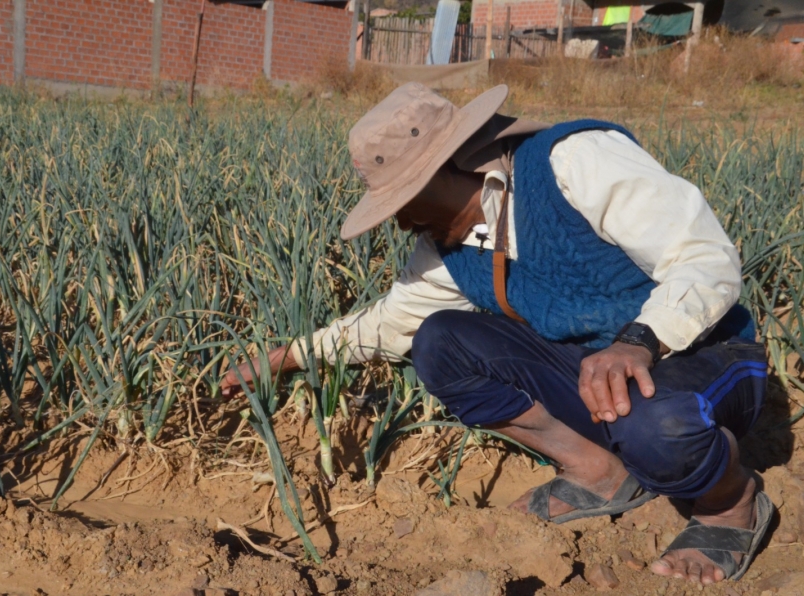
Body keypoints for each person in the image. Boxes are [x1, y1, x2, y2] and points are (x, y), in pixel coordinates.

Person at [220, 83, 773, 585]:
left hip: (710, 357)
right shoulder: (447, 245)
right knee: (439, 341)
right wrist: (291, 356)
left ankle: (728, 505)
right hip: (595, 378)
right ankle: (596, 471)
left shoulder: (573, 160)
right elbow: (392, 323)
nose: (402, 222)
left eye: (406, 201)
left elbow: (705, 258)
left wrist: (639, 341)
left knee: (661, 427)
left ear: (451, 165)